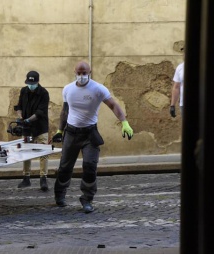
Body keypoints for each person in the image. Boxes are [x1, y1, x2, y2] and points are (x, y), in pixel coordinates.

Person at [51, 61, 133, 213]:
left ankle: (87, 199)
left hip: (90, 134)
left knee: (90, 166)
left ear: (90, 72)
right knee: (65, 166)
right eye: (79, 73)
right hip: (71, 133)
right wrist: (60, 131)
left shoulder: (98, 89)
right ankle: (60, 194)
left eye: (84, 73)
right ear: (74, 72)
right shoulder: (68, 89)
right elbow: (65, 111)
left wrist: (124, 122)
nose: (81, 76)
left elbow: (114, 105)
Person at [14, 70, 50, 191]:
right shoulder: (24, 91)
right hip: (27, 128)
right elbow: (18, 106)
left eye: (32, 83)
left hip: (40, 127)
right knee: (25, 152)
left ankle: (43, 179)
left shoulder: (44, 93)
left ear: (38, 82)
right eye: (29, 83)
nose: (30, 85)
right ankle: (26, 178)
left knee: (43, 153)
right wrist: (20, 116)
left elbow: (40, 112)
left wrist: (29, 120)